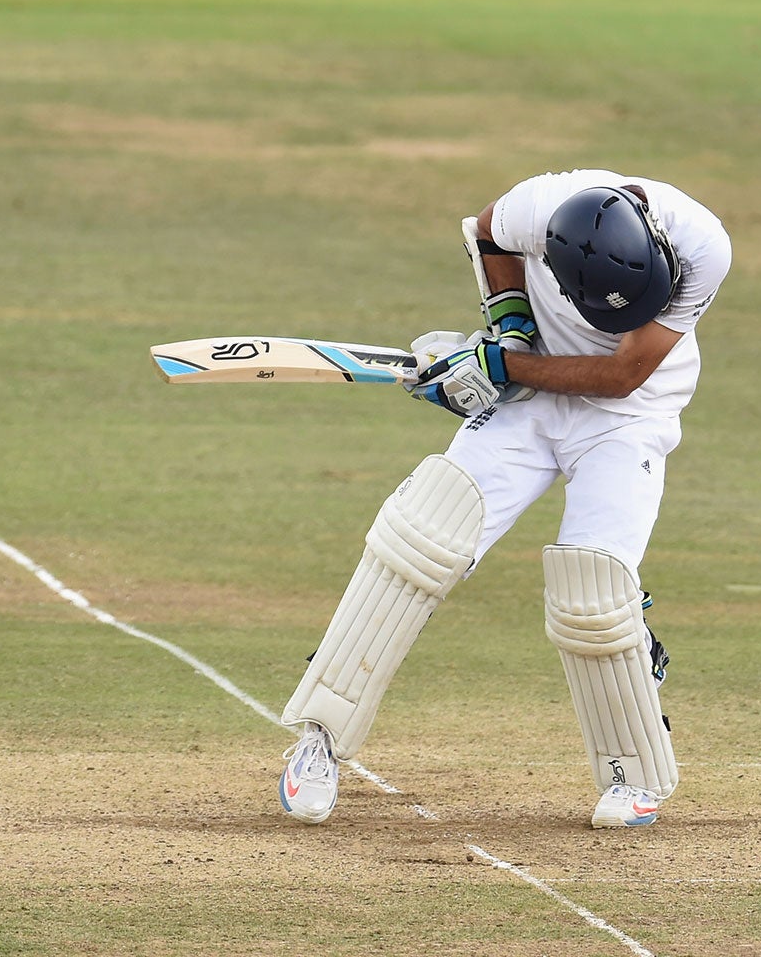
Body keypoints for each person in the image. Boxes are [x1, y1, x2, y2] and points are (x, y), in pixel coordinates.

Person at [277, 172, 731, 828]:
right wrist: (511, 329)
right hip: (531, 408)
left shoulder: (704, 246)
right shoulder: (535, 207)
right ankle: (318, 739)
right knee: (420, 536)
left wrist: (497, 366)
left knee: (594, 592)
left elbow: (620, 373)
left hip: (630, 415)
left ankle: (634, 774)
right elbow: (487, 233)